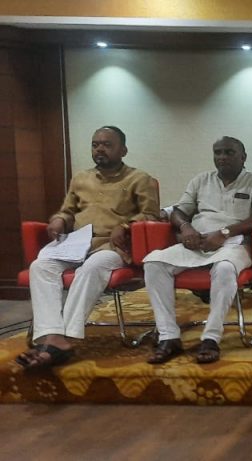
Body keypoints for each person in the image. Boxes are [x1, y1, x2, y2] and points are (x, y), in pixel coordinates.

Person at [15, 126, 159, 369]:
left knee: (92, 267)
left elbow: (152, 215)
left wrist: (126, 225)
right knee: (41, 266)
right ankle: (52, 335)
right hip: (77, 243)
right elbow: (68, 211)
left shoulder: (139, 179)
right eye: (95, 144)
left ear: (123, 150)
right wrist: (59, 220)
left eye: (107, 144)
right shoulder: (80, 179)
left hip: (113, 247)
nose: (100, 149)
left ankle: (63, 338)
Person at [143, 137, 252, 364]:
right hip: (198, 242)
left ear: (243, 157)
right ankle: (169, 336)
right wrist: (186, 228)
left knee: (224, 269)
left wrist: (224, 233)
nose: (222, 157)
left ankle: (211, 338)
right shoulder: (201, 180)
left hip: (234, 243)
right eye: (218, 152)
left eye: (229, 152)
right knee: (154, 263)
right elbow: (179, 211)